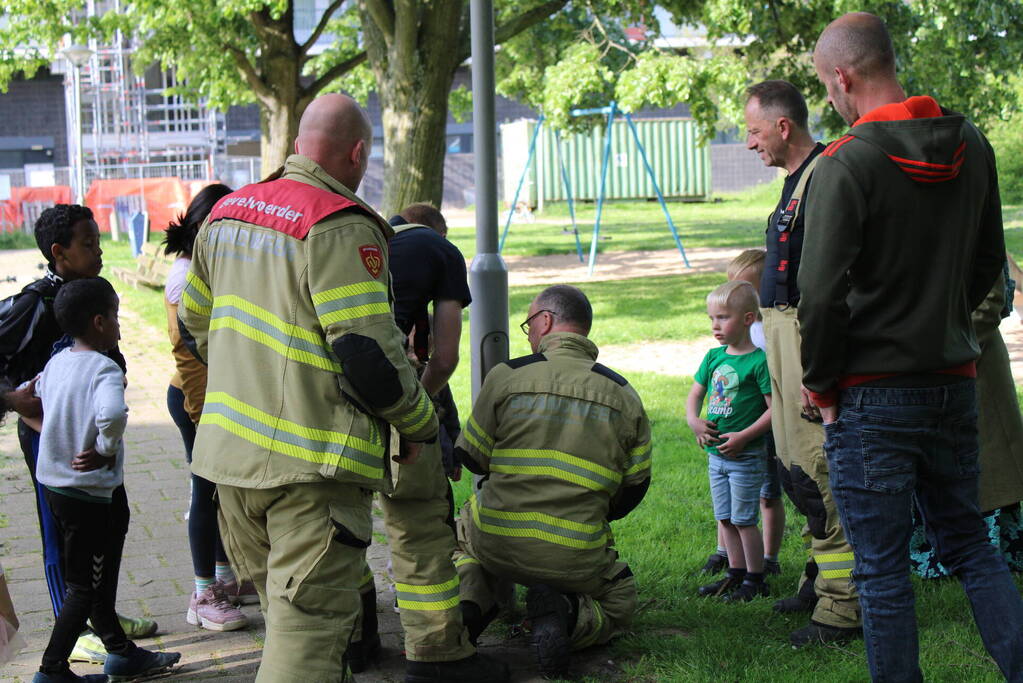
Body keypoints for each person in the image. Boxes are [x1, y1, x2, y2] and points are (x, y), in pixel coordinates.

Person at [178, 93, 441, 682]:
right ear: (358, 154)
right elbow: (366, 354)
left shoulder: (226, 214)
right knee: (308, 639)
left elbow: (193, 322)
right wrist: (421, 424)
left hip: (230, 467)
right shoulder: (340, 225)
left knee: (292, 628)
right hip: (311, 472)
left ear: (298, 146)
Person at [799, 12, 1023, 681]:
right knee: (970, 546)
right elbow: (989, 263)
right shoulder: (972, 143)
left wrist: (820, 384)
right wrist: (943, 325)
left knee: (880, 568)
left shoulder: (845, 162)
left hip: (869, 395)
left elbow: (819, 294)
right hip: (953, 380)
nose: (831, 98)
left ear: (842, 77)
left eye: (827, 86)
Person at [452, 285, 652, 679]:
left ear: (545, 321)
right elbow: (635, 486)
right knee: (620, 598)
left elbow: (472, 457)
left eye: (529, 325)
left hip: (497, 541)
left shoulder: (506, 376)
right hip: (575, 555)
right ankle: (567, 615)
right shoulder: (624, 394)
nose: (529, 334)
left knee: (463, 541)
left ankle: (469, 606)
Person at [348, 202, 506, 682]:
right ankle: (435, 653)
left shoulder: (355, 239)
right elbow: (444, 358)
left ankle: (355, 640)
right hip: (392, 397)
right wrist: (420, 413)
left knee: (342, 526)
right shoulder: (438, 248)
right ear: (438, 230)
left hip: (327, 407)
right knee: (418, 530)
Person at [0, 205, 155, 664]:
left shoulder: (92, 297)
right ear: (59, 252)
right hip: (50, 441)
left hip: (95, 444)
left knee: (111, 522)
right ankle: (72, 624)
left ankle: (101, 613)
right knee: (61, 535)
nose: (99, 251)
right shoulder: (34, 303)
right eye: (88, 244)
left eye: (98, 242)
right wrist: (12, 399)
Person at [744, 79, 862, 645]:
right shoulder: (798, 180)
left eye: (754, 131)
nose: (750, 143)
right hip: (781, 337)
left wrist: (817, 370)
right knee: (796, 473)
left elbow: (827, 287)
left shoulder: (825, 176)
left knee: (818, 473)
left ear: (783, 126)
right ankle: (819, 578)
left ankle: (844, 606)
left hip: (802, 338)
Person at [33, 277, 180, 682]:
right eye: (116, 316)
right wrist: (104, 448)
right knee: (84, 587)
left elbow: (38, 392)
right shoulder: (104, 368)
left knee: (98, 577)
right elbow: (113, 414)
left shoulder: (57, 362)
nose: (119, 325)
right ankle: (51, 671)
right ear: (99, 322)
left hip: (58, 489)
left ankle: (120, 653)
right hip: (88, 497)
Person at [162, 183, 252, 633]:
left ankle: (223, 574)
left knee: (214, 489)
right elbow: (190, 356)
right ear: (204, 226)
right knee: (205, 489)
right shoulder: (185, 278)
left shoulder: (197, 267)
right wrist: (204, 417)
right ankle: (203, 594)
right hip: (195, 399)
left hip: (205, 397)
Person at [910, 267, 1023, 577]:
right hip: (915, 364)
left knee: (987, 465)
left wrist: (944, 349)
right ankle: (931, 555)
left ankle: (988, 553)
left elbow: (991, 300)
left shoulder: (974, 230)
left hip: (972, 356)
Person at [694, 250, 785, 577]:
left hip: (762, 429)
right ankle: (727, 554)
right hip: (727, 435)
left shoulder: (774, 328)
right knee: (728, 503)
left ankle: (768, 559)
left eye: (744, 288)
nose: (734, 293)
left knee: (767, 495)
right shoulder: (721, 346)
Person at [687, 280, 773, 601]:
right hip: (716, 456)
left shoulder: (759, 361)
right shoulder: (713, 357)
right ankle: (734, 574)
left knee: (744, 520)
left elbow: (774, 410)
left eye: (723, 317)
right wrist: (694, 421)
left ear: (748, 319)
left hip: (746, 457)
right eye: (712, 318)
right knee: (724, 518)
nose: (715, 325)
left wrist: (744, 436)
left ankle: (755, 579)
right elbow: (695, 395)